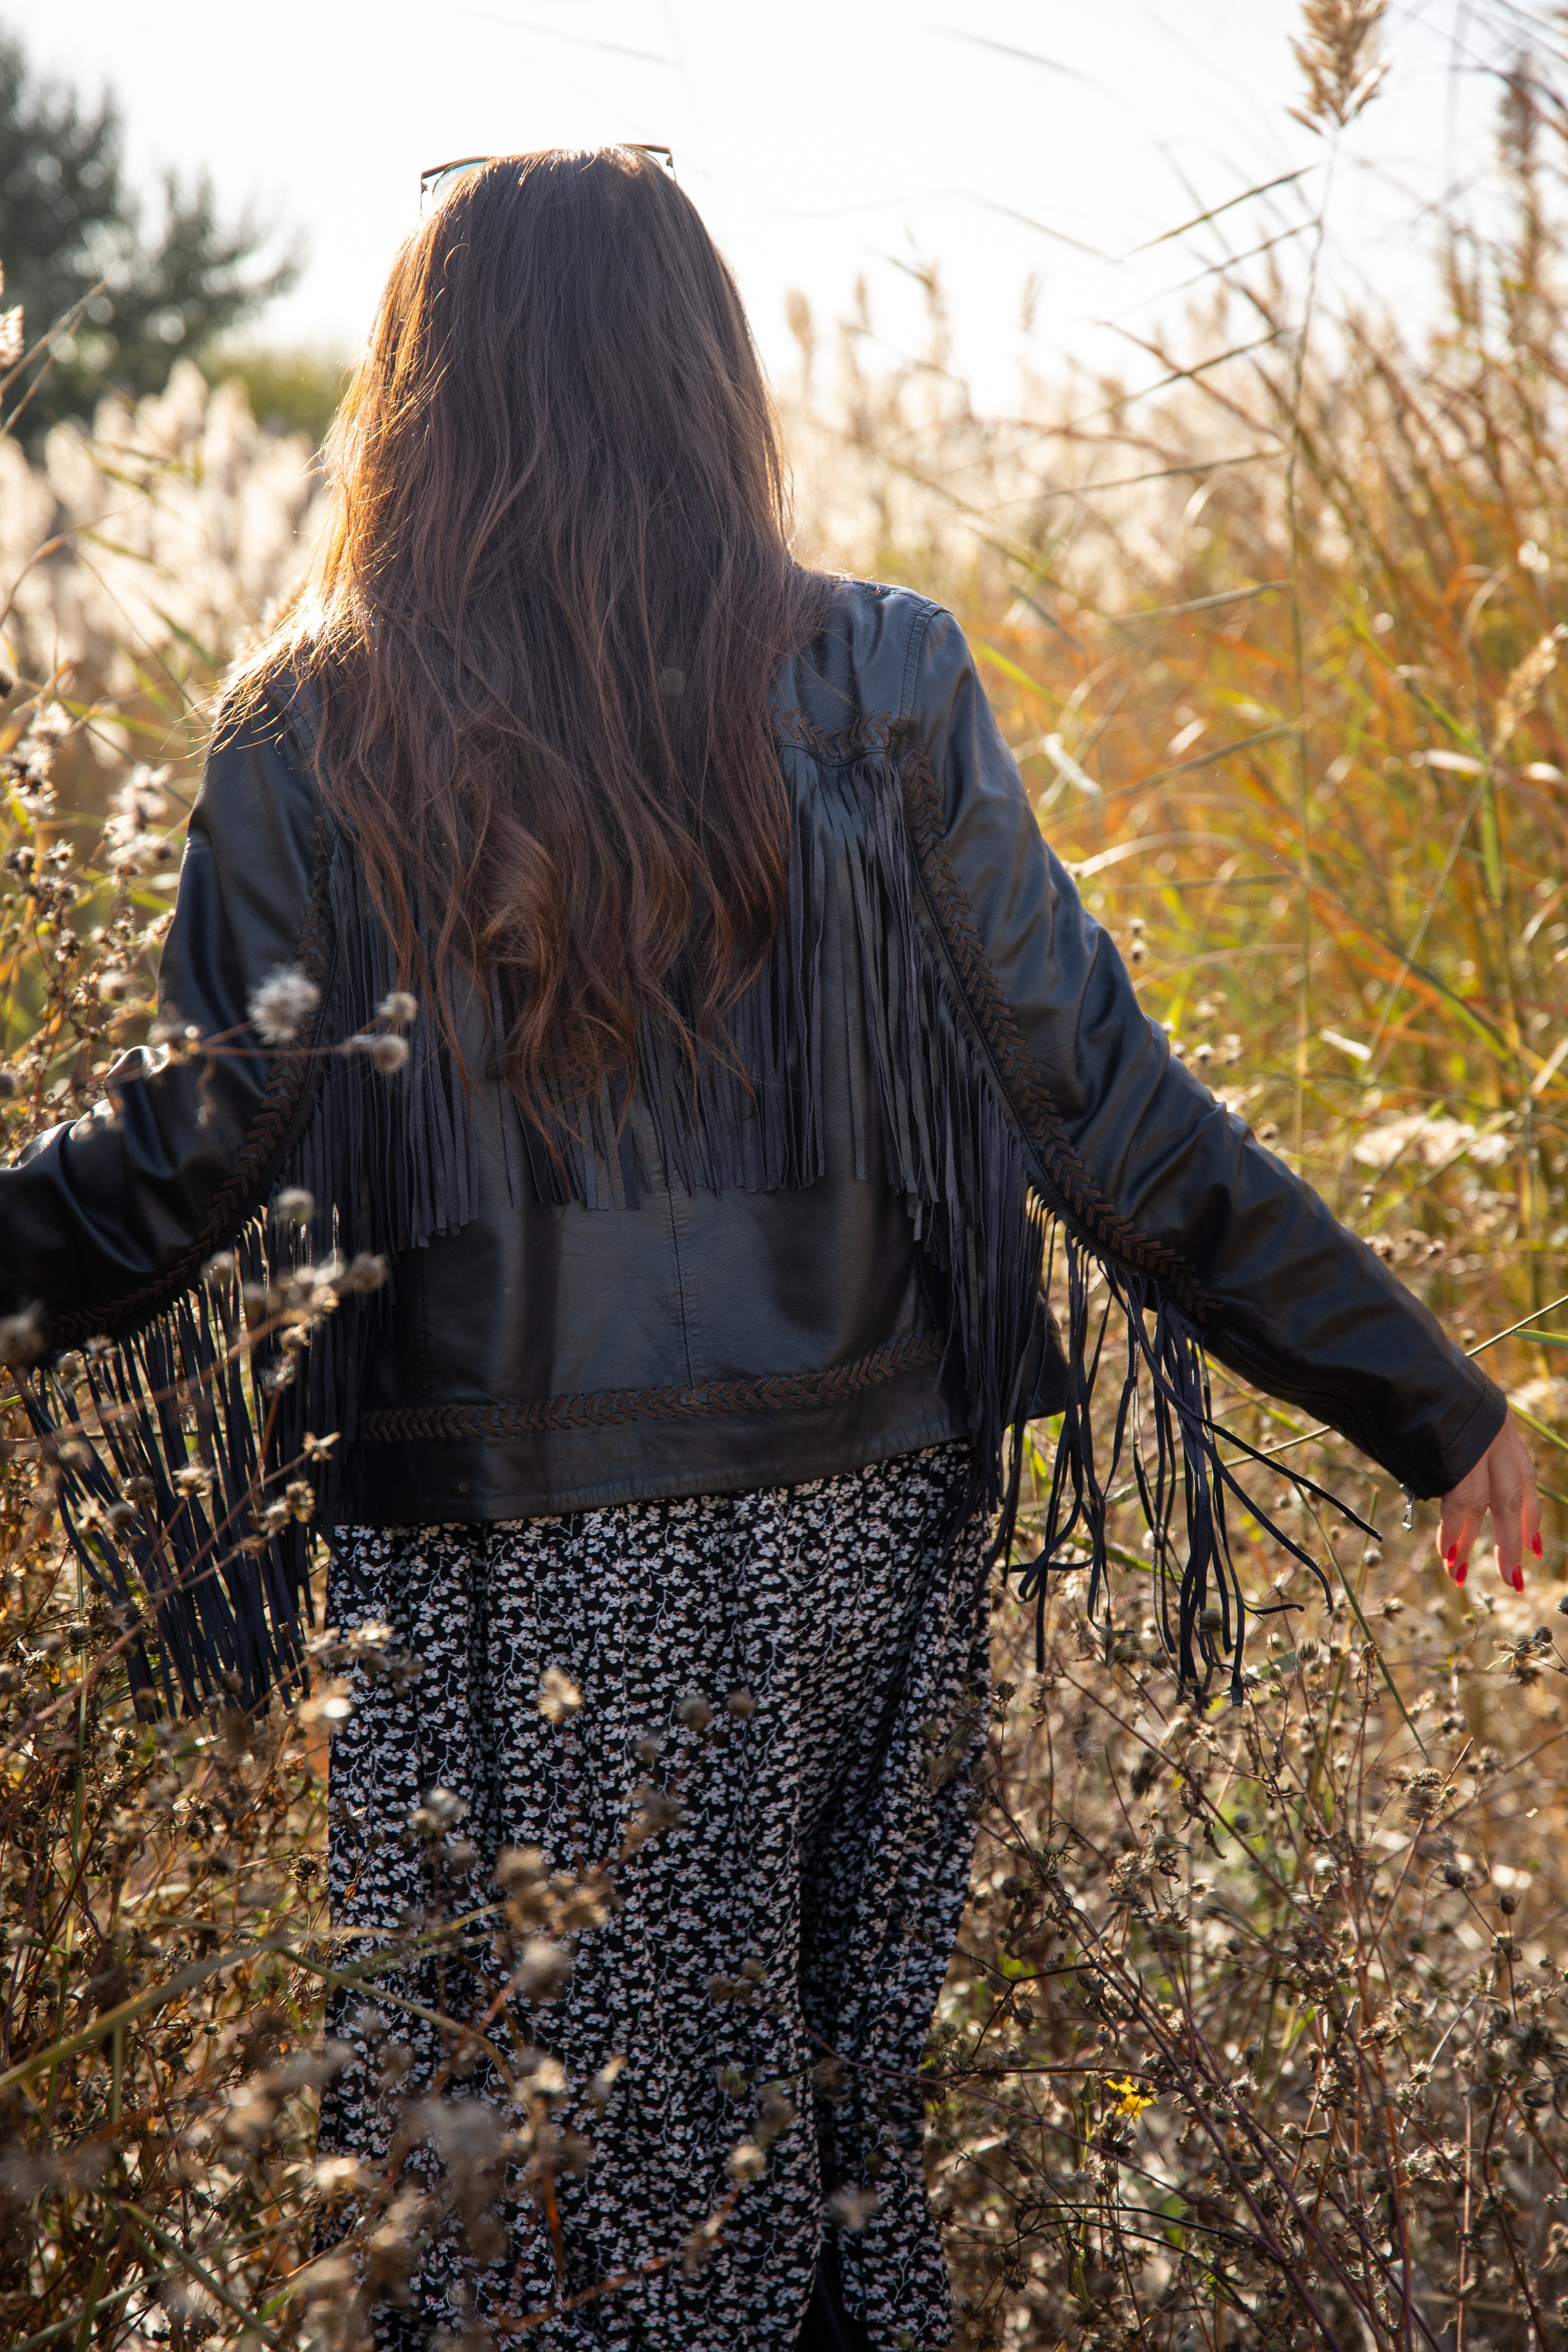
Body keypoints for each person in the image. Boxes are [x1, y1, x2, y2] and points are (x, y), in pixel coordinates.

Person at [0, 148, 1539, 2351]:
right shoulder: (881, 674)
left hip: (505, 1553)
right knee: (818, 2149)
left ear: (425, 389)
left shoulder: (316, 724)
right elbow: (1101, 1102)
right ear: (703, 374)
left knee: (536, 2200)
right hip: (855, 1519)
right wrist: (1424, 1395)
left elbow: (175, 1172)